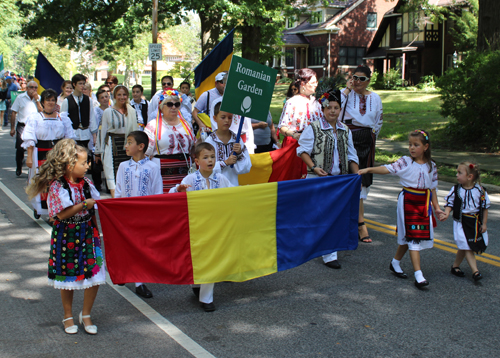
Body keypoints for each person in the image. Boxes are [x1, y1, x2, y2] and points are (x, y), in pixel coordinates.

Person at [25, 139, 104, 335]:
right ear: (70, 166)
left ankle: (86, 314)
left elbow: (98, 204)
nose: (88, 166)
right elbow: (61, 214)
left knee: (95, 272)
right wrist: (86, 204)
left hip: (87, 232)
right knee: (67, 276)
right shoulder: (57, 187)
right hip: (66, 235)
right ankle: (68, 315)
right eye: (84, 163)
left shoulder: (87, 183)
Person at [358, 130, 443, 288]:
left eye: (416, 145)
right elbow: (387, 168)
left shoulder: (432, 166)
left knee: (410, 235)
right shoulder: (406, 162)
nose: (411, 148)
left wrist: (437, 208)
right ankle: (418, 275)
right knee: (413, 237)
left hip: (423, 203)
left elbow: (432, 189)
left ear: (425, 147)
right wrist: (368, 169)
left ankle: (395, 262)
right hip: (408, 201)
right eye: (410, 144)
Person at [297, 89, 359, 269]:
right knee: (315, 214)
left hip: (339, 181)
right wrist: (314, 167)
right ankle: (308, 243)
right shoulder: (314, 127)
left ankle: (330, 254)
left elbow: (352, 155)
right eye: (329, 107)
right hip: (318, 179)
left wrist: (356, 176)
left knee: (334, 216)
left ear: (340, 110)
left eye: (336, 108)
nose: (333, 111)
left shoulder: (345, 130)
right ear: (323, 109)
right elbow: (302, 151)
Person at [169, 142, 232, 312]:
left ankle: (207, 298)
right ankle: (196, 284)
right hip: (196, 226)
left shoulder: (221, 178)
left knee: (211, 259)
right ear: (197, 161)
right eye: (205, 157)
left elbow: (234, 195)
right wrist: (178, 190)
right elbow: (171, 195)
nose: (210, 160)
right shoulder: (190, 179)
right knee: (197, 257)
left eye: (212, 157)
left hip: (216, 226)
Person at [114, 131, 162, 297]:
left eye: (129, 142)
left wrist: (154, 215)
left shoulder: (153, 167)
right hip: (127, 213)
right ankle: (126, 273)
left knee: (141, 246)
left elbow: (157, 193)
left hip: (144, 214)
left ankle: (139, 281)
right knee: (127, 245)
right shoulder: (123, 166)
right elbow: (119, 190)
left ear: (141, 147)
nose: (125, 146)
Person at [341, 65, 383, 243]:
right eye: (354, 77)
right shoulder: (345, 94)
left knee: (362, 180)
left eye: (362, 79)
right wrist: (347, 89)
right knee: (346, 178)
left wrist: (373, 138)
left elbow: (379, 120)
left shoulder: (375, 98)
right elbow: (331, 107)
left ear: (369, 80)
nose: (357, 81)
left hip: (366, 139)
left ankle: (358, 222)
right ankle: (352, 222)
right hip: (348, 137)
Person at [21, 89, 76, 218]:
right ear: (43, 102)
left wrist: (71, 156)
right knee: (43, 181)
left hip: (58, 155)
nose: (50, 103)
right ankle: (40, 207)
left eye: (52, 100)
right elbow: (30, 139)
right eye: (48, 100)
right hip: (40, 154)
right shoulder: (36, 118)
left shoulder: (63, 118)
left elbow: (69, 140)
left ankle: (55, 210)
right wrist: (29, 157)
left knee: (57, 181)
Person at [440, 162, 490, 281]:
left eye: (459, 173)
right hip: (461, 222)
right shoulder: (456, 189)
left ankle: (455, 266)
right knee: (467, 246)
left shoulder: (480, 190)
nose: (457, 175)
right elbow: (450, 203)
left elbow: (485, 207)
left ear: (470, 177)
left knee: (464, 245)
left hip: (474, 222)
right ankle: (475, 271)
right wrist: (446, 213)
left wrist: (484, 223)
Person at [144, 88, 195, 193]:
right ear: (161, 107)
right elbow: (145, 153)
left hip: (184, 172)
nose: (173, 107)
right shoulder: (153, 125)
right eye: (169, 104)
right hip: (161, 173)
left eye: (177, 104)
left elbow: (193, 147)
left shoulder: (186, 124)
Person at [95, 85, 138, 197]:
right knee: (114, 173)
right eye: (119, 94)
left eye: (124, 94)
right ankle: (116, 198)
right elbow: (102, 131)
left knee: (129, 172)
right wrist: (98, 151)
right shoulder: (108, 112)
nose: (122, 97)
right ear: (114, 96)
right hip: (113, 144)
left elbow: (135, 131)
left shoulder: (132, 111)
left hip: (129, 144)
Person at [278, 69, 322, 178]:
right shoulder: (292, 102)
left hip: (314, 145)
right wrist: (293, 134)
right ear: (303, 83)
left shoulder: (317, 103)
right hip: (295, 145)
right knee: (294, 177)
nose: (316, 85)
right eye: (312, 82)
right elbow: (282, 127)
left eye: (316, 82)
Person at [204, 100, 251, 186]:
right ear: (215, 118)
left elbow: (246, 168)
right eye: (223, 117)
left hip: (232, 186)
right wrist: (225, 163)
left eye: (230, 117)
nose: (227, 120)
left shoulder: (237, 140)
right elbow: (205, 168)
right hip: (214, 188)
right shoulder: (209, 141)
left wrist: (240, 153)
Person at [10, 80, 44, 176]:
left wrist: (37, 100)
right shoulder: (20, 98)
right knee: (20, 148)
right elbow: (14, 112)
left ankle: (32, 169)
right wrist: (12, 128)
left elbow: (42, 111)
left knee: (33, 148)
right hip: (22, 125)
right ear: (27, 88)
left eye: (35, 88)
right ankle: (19, 166)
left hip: (35, 126)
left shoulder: (39, 98)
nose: (33, 89)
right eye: (31, 87)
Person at [60, 74, 98, 150]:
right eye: (80, 84)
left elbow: (91, 117)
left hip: (86, 134)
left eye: (83, 83)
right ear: (74, 84)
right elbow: (63, 120)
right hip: (73, 134)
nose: (82, 86)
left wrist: (94, 135)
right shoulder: (67, 101)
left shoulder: (88, 100)